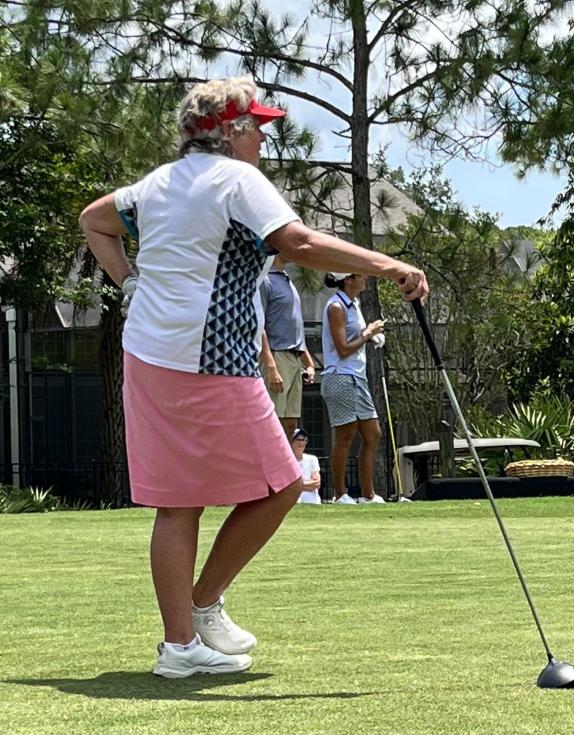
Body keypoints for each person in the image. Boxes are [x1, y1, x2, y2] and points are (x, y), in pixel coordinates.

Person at [78, 76, 428, 677]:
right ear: (232, 130)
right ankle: (204, 604)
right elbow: (299, 240)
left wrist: (129, 281)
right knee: (285, 483)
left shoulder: (156, 184)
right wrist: (388, 263)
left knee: (178, 504)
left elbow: (93, 220)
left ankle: (180, 646)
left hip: (149, 355)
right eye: (258, 128)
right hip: (212, 358)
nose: (264, 140)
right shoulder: (237, 179)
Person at [321, 272, 386, 505]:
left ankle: (368, 495)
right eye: (360, 276)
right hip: (340, 376)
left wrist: (369, 336)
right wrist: (367, 334)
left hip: (357, 378)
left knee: (373, 434)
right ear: (348, 280)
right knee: (345, 436)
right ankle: (340, 495)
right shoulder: (336, 306)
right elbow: (343, 349)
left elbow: (354, 339)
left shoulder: (354, 303)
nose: (365, 278)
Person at [260, 253, 315, 438]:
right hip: (276, 356)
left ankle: (285, 467)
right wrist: (270, 366)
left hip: (294, 359)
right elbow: (259, 326)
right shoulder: (265, 280)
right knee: (272, 421)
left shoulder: (287, 280)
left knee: (291, 424)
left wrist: (309, 363)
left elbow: (294, 326)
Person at [291, 428, 324, 504]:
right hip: (294, 500)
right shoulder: (287, 462)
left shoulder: (312, 459)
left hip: (312, 500)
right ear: (292, 442)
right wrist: (308, 484)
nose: (301, 443)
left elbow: (317, 483)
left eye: (304, 440)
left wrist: (296, 486)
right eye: (298, 440)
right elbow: (287, 487)